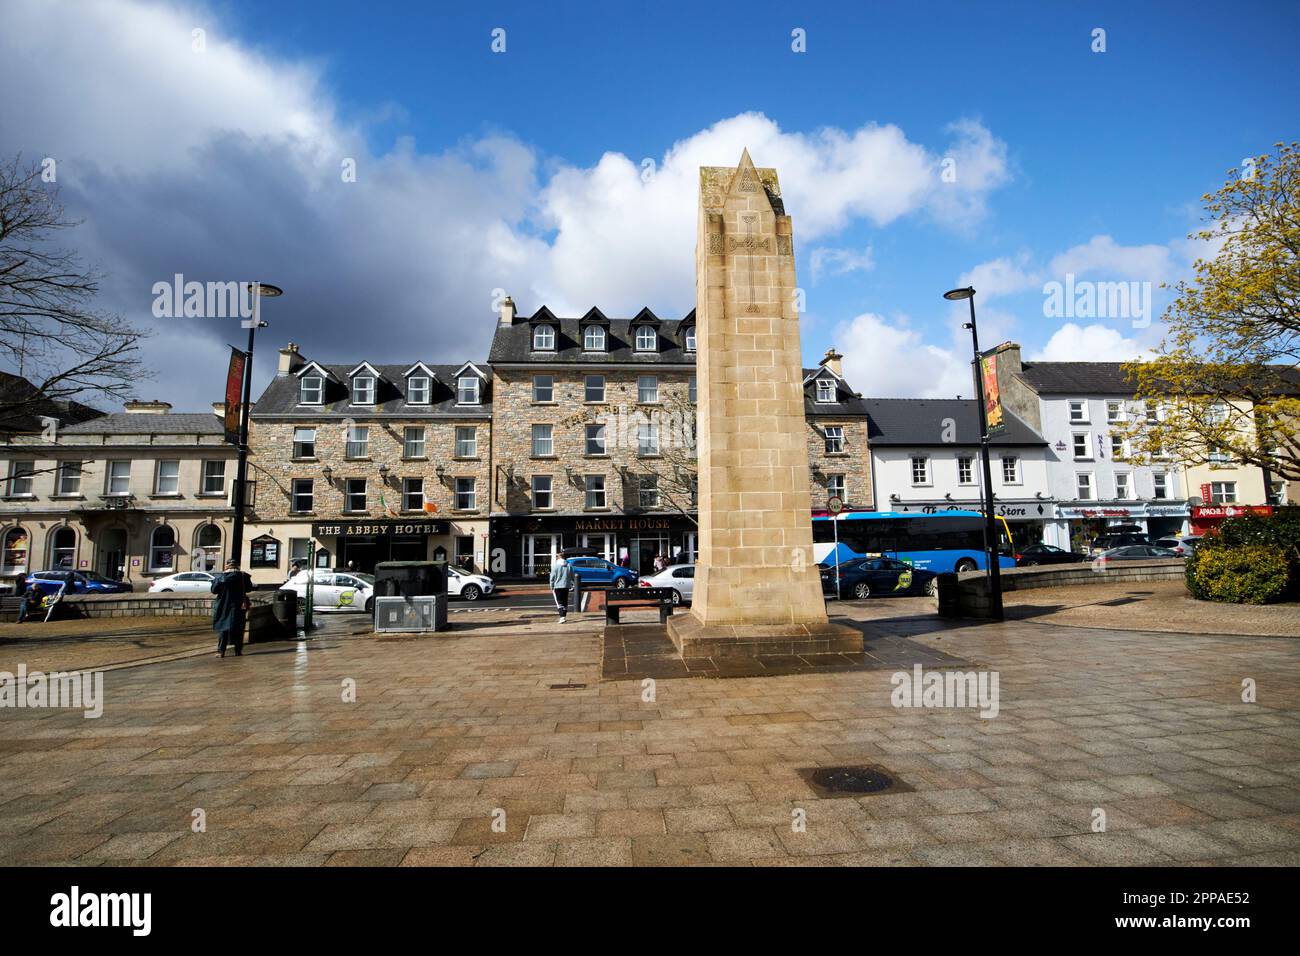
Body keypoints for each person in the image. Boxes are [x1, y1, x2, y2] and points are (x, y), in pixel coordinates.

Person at [210, 559, 253, 658]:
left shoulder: (220, 577)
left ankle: (221, 651)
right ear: (237, 566)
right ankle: (238, 650)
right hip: (238, 606)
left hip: (223, 605)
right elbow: (249, 588)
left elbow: (214, 590)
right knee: (238, 628)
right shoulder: (243, 576)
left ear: (226, 566)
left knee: (223, 628)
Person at [549, 556, 574, 624]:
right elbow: (572, 576)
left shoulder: (555, 566)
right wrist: (573, 583)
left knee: (559, 602)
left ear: (558, 558)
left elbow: (552, 577)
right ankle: (564, 616)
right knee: (565, 601)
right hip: (566, 586)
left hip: (557, 586)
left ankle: (562, 617)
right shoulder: (569, 565)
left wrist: (551, 586)